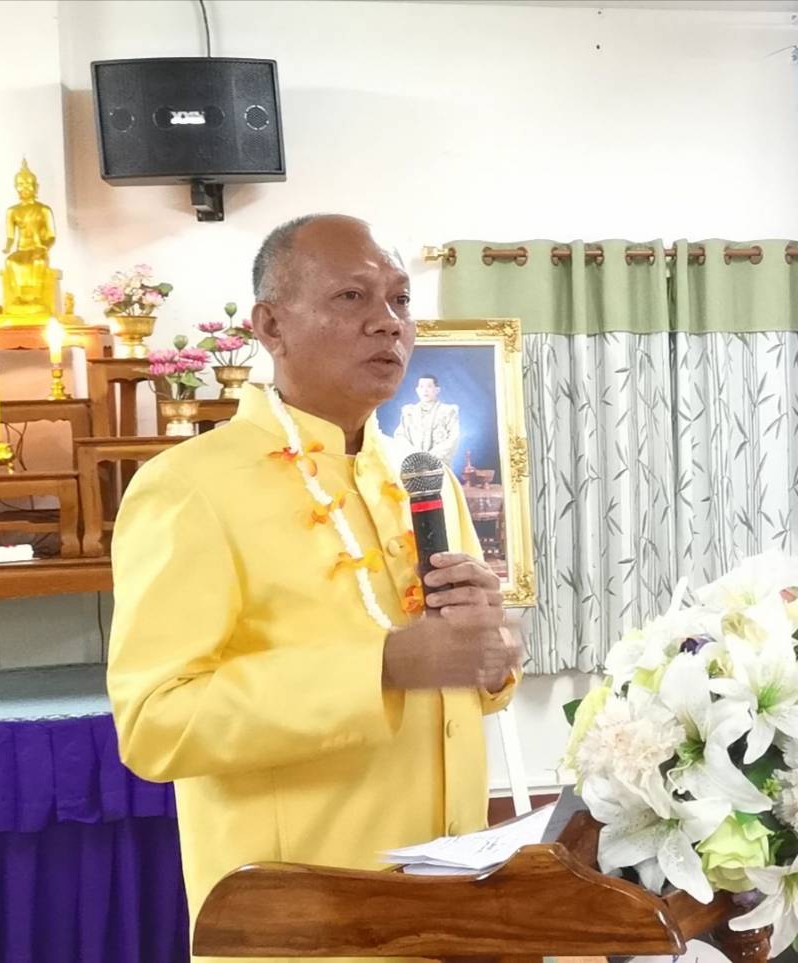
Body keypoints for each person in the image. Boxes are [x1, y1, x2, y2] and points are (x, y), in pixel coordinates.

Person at [107, 214, 523, 963]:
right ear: (271, 325)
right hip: (304, 921)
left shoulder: (423, 477)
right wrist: (384, 667)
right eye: (351, 297)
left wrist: (490, 657)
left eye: (400, 300)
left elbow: (455, 678)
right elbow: (154, 722)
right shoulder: (191, 487)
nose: (387, 323)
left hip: (453, 909)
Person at [395, 372, 462, 465]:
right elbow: (400, 436)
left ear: (437, 390)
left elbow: (453, 437)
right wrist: (415, 455)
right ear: (417, 390)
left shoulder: (448, 411)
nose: (425, 390)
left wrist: (430, 457)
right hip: (414, 464)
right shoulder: (408, 412)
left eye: (429, 386)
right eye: (421, 387)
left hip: (439, 464)